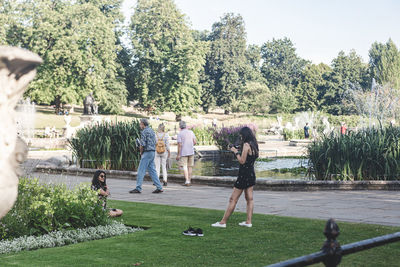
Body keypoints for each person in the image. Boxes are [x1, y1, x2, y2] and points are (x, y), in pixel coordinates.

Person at [212, 126, 258, 228]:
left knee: (233, 199)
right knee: (249, 198)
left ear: (244, 135)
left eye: (241, 136)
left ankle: (223, 222)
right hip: (251, 173)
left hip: (243, 175)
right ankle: (248, 222)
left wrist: (235, 151)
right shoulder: (254, 145)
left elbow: (242, 161)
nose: (240, 138)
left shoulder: (246, 145)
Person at [129, 118, 163, 194]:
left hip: (146, 153)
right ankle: (159, 187)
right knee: (152, 171)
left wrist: (141, 152)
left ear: (143, 124)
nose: (139, 125)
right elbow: (155, 142)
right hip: (152, 152)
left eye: (140, 124)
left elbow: (142, 144)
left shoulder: (144, 132)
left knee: (141, 170)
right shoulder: (151, 130)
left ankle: (138, 188)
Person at [176, 121, 196, 186]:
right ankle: (189, 180)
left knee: (184, 167)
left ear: (180, 126)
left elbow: (179, 145)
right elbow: (195, 142)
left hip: (183, 152)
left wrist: (178, 154)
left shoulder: (180, 134)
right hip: (191, 151)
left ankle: (187, 181)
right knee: (190, 166)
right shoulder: (191, 132)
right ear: (185, 126)